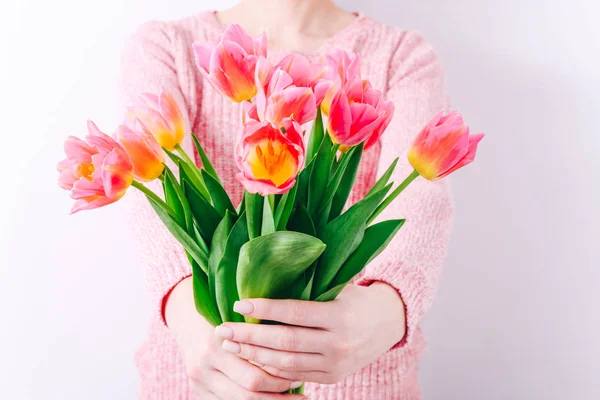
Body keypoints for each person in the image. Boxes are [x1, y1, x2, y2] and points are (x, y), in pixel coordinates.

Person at [120, 1, 453, 399]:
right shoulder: (168, 46)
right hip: (196, 378)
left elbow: (421, 201)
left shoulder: (402, 56)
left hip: (364, 383)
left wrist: (383, 312)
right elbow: (151, 185)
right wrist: (197, 328)